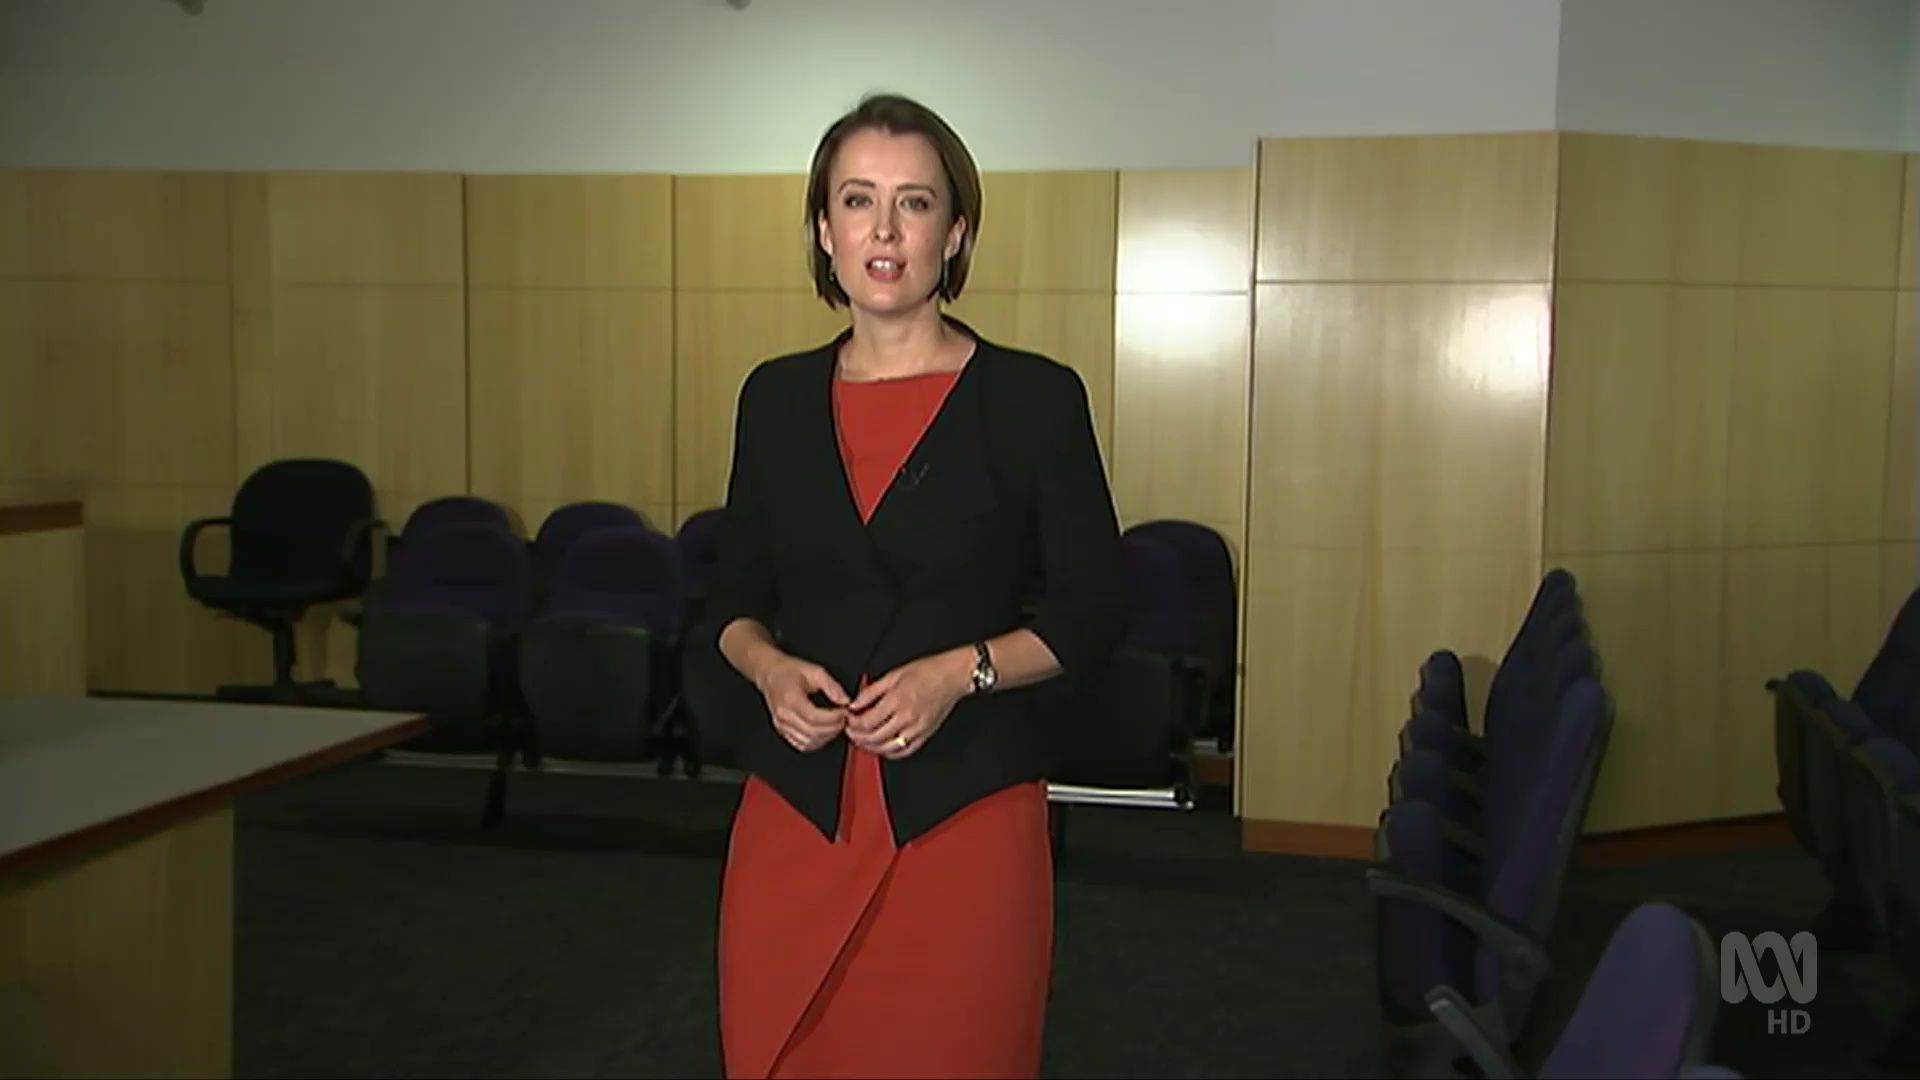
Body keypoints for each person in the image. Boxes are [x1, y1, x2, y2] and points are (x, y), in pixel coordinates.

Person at [685, 91, 1131, 1080]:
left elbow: (1095, 608)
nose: (884, 230)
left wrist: (956, 674)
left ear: (955, 232)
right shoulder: (774, 396)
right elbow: (733, 602)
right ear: (823, 229)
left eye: (914, 203)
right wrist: (767, 671)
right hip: (801, 807)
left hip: (963, 810)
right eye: (857, 200)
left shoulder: (1034, 398)